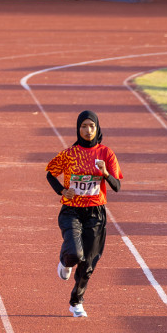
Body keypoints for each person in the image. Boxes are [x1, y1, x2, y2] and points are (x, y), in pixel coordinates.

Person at [45, 110, 121, 319]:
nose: (88, 130)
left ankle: (76, 301)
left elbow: (117, 186)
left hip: (96, 213)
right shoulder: (69, 154)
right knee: (75, 254)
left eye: (92, 126)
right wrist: (62, 191)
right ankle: (65, 262)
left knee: (88, 263)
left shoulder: (106, 153)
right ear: (78, 129)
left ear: (97, 128)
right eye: (84, 126)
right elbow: (50, 174)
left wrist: (105, 173)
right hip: (72, 210)